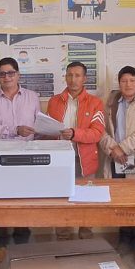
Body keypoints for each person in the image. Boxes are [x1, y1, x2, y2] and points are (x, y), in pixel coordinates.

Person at [99, 66, 135, 265]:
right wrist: (112, 149)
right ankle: (124, 239)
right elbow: (100, 130)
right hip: (116, 160)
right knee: (121, 203)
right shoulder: (110, 102)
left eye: (132, 80)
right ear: (119, 83)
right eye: (124, 81)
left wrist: (122, 148)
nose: (128, 84)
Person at [0, 57, 39, 249]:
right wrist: (15, 130)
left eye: (10, 73)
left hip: (27, 156)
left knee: (23, 198)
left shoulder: (32, 96)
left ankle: (22, 241)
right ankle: (0, 243)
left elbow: (38, 124)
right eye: (2, 74)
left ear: (18, 74)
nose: (7, 77)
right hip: (0, 158)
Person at [46, 61, 106, 240]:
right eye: (70, 75)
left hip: (84, 160)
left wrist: (74, 133)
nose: (73, 79)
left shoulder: (95, 103)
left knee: (86, 201)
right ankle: (63, 237)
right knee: (61, 200)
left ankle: (85, 236)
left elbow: (97, 133)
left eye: (77, 75)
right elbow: (48, 129)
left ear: (85, 78)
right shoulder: (54, 101)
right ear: (65, 77)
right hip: (59, 160)